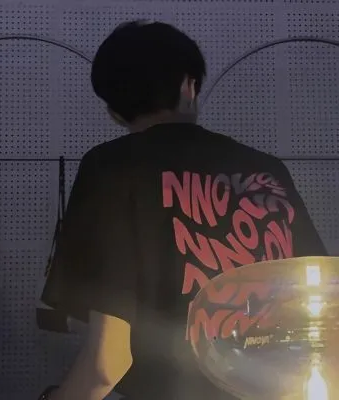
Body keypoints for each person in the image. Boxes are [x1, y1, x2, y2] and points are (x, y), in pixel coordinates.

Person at [40, 20, 327, 400]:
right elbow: (320, 314)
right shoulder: (267, 171)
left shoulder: (111, 169)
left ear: (113, 111)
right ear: (189, 87)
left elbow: (108, 360)